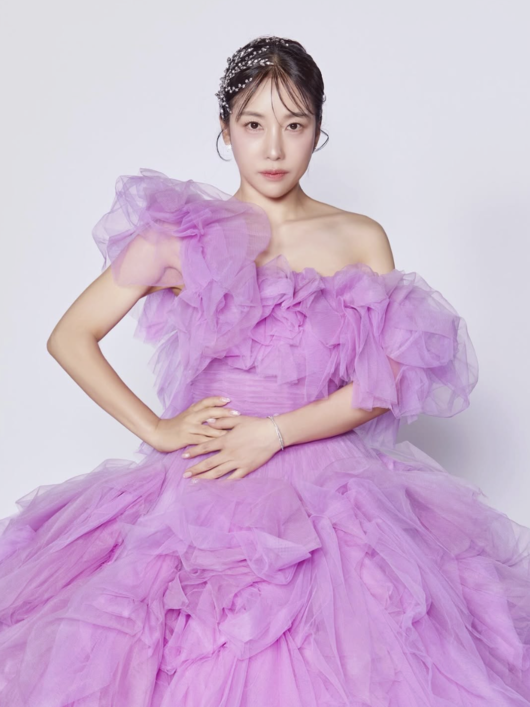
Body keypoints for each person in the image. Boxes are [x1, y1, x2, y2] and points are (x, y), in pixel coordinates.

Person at [1, 34, 529, 707]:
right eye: (253, 125)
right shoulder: (181, 238)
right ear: (225, 130)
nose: (274, 148)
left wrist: (273, 433)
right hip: (207, 479)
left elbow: (384, 382)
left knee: (359, 650)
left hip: (331, 484)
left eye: (294, 125)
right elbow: (71, 336)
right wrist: (159, 429)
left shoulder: (358, 237)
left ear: (318, 130)